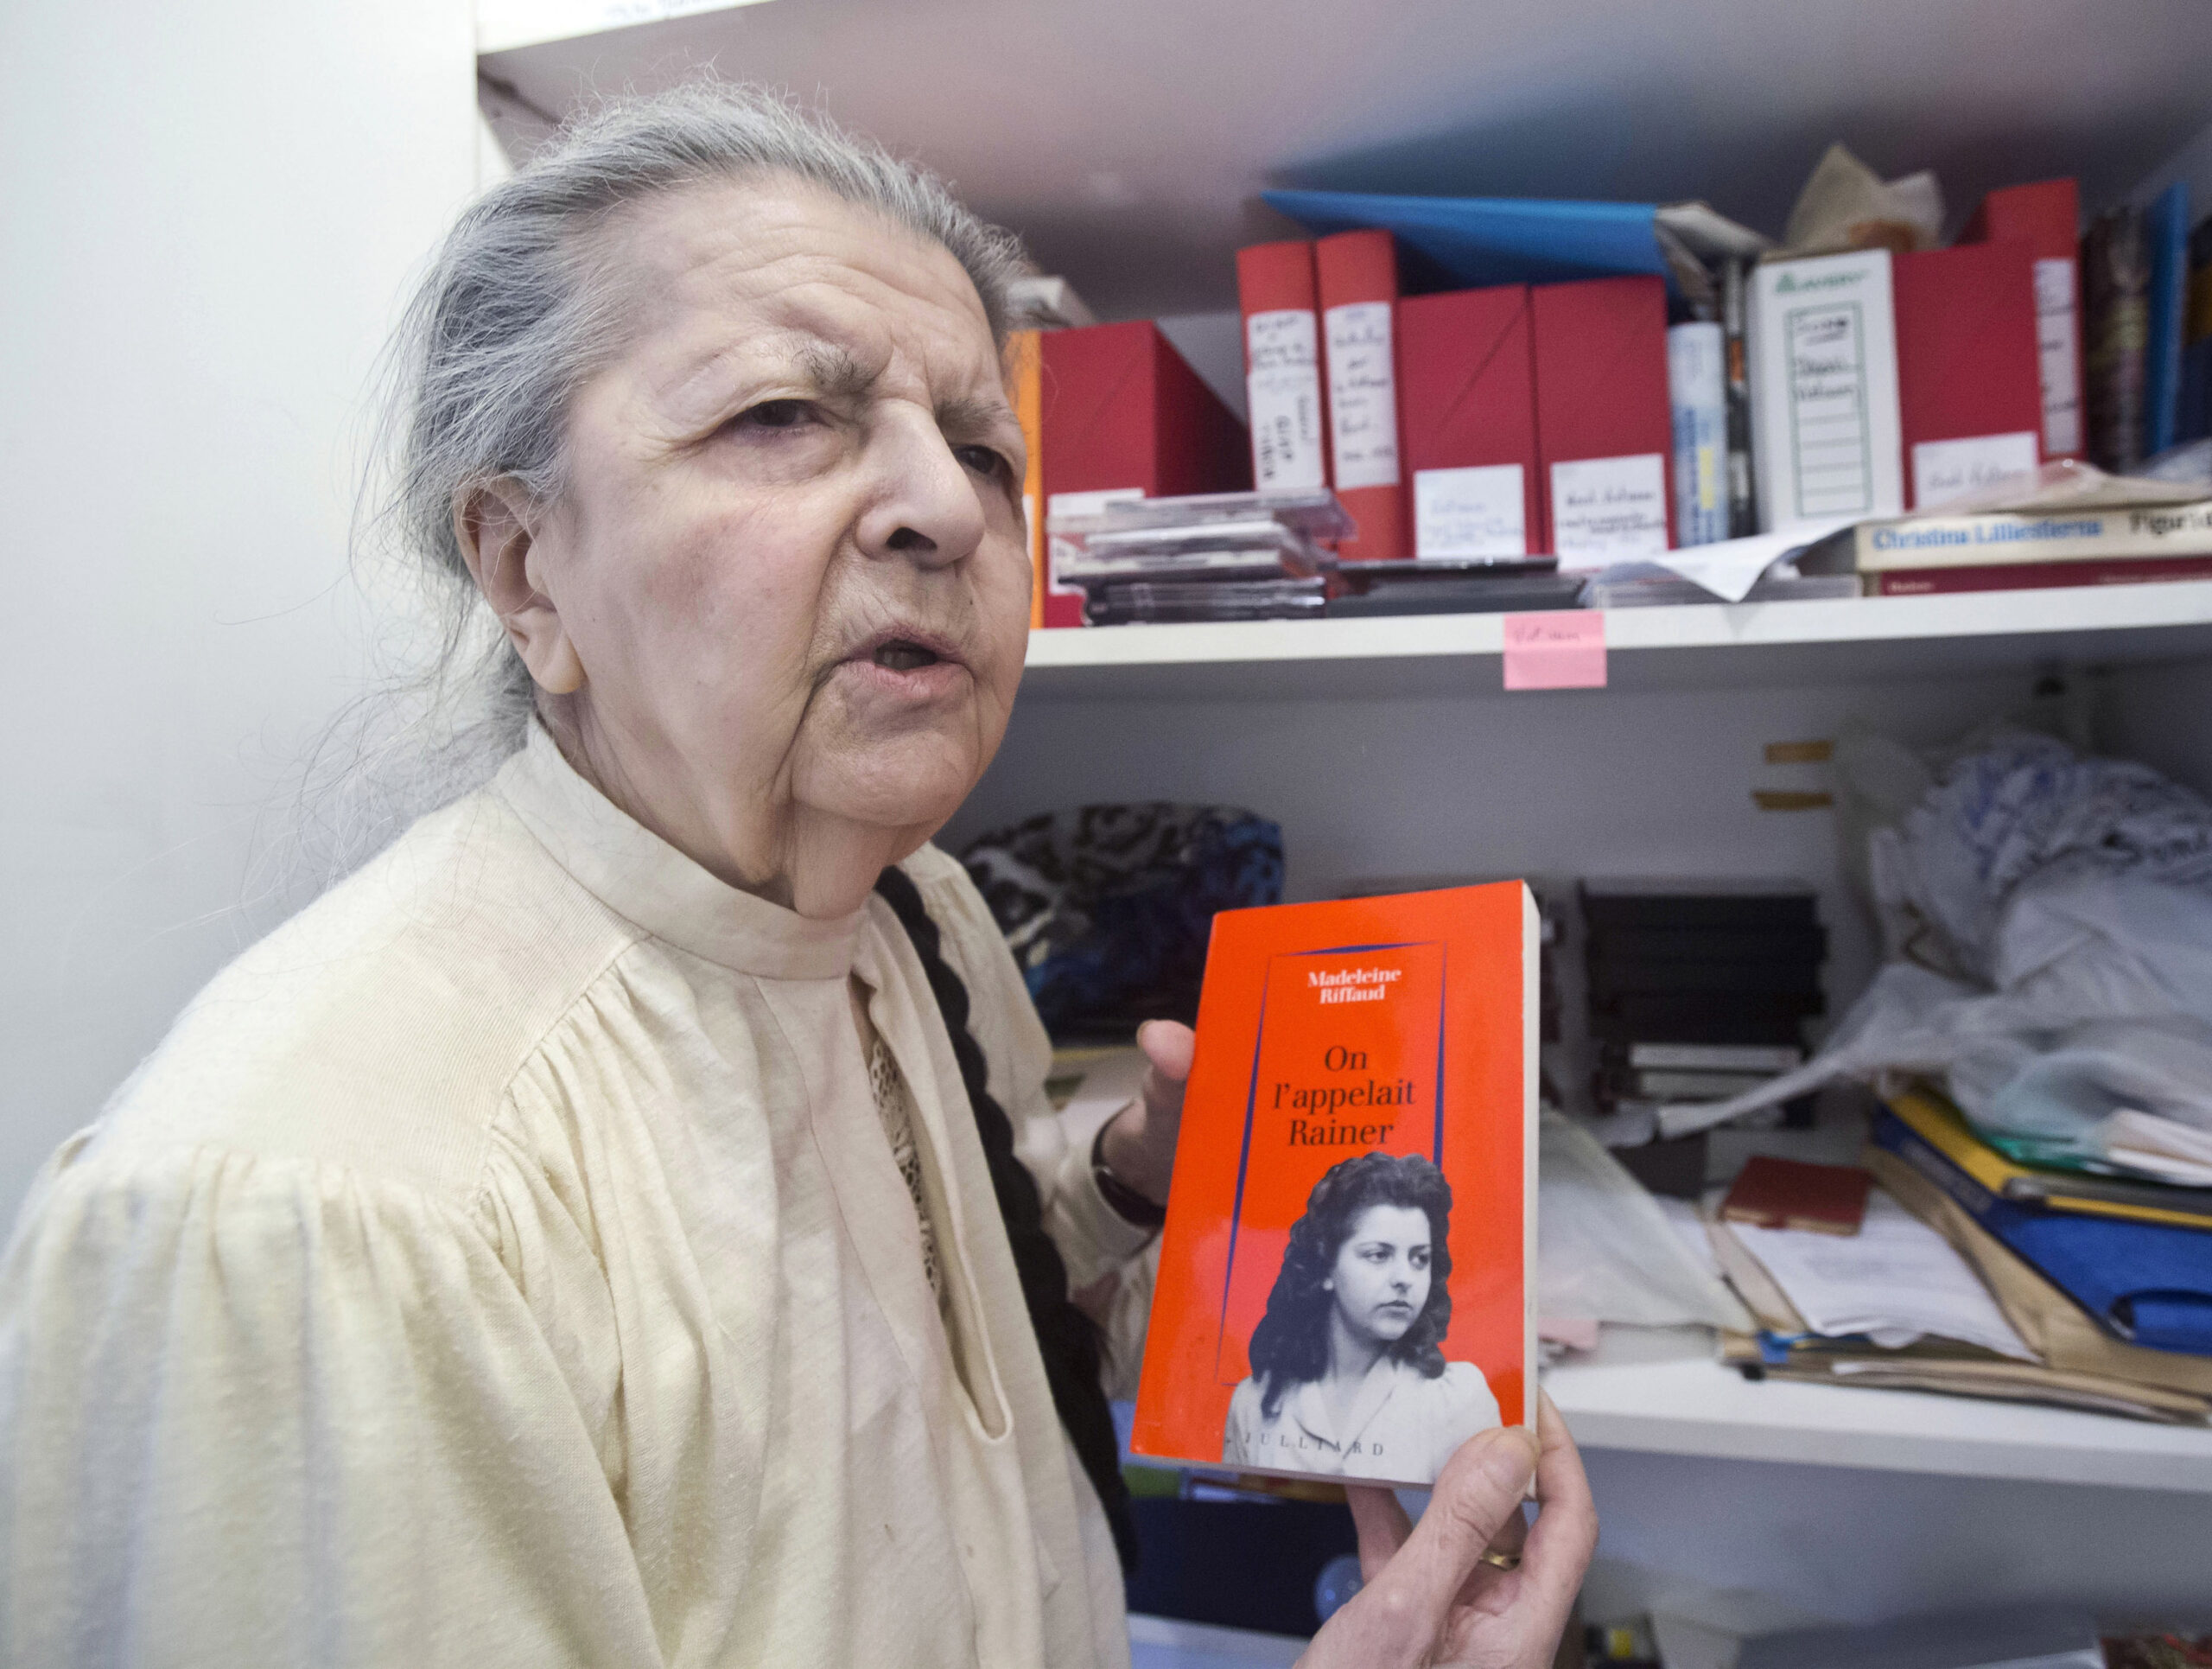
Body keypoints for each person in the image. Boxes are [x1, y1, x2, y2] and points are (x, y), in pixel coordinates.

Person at [0, 80, 1593, 1667]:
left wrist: (1130, 1174)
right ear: (524, 565)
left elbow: (950, 1309)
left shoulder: (916, 912)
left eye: (983, 448)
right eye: (783, 415)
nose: (946, 508)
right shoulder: (313, 1214)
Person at [1224, 1152, 1499, 1479]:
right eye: (1379, 1254)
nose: (1405, 1278)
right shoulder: (1253, 1402)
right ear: (1326, 1265)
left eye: (1419, 1259)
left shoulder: (1457, 1399)